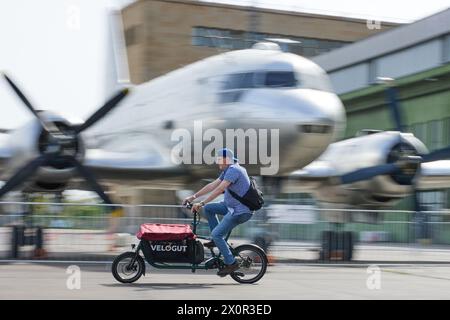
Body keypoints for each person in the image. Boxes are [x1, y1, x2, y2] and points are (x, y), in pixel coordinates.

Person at [183, 148, 253, 277]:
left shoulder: (234, 170)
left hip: (239, 211)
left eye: (219, 159)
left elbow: (219, 189)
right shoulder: (228, 170)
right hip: (231, 206)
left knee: (216, 234)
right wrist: (193, 197)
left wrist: (201, 203)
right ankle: (217, 240)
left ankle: (231, 263)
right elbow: (212, 185)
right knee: (209, 209)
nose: (218, 162)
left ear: (226, 160)